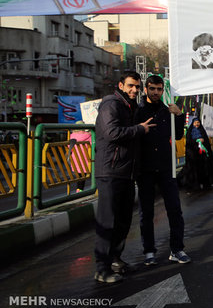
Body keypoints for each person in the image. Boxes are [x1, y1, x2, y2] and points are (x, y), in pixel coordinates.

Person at [93, 71, 155, 283]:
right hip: (110, 170)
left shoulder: (131, 106)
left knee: (123, 220)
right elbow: (112, 133)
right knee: (107, 221)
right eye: (130, 86)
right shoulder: (111, 104)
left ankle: (115, 259)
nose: (134, 90)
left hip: (127, 172)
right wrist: (139, 129)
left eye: (137, 87)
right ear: (121, 85)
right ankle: (102, 268)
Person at [136, 75, 190, 266]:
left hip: (167, 168)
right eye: (152, 89)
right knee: (146, 212)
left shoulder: (168, 111)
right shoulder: (138, 111)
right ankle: (149, 251)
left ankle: (177, 249)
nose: (156, 92)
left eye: (159, 89)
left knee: (175, 209)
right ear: (146, 89)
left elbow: (179, 135)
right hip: (145, 169)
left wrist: (179, 114)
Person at [183, 117, 213, 191]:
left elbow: (207, 143)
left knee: (205, 169)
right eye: (195, 123)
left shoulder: (202, 131)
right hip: (193, 156)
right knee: (194, 171)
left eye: (198, 122)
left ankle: (206, 184)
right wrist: (196, 141)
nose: (197, 124)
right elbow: (188, 143)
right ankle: (194, 185)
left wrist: (203, 141)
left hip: (203, 157)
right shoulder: (190, 132)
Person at [68, 120, 91, 192]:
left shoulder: (72, 136)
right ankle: (81, 189)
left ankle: (79, 189)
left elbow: (69, 147)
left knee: (79, 175)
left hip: (75, 161)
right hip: (86, 161)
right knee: (83, 174)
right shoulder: (89, 135)